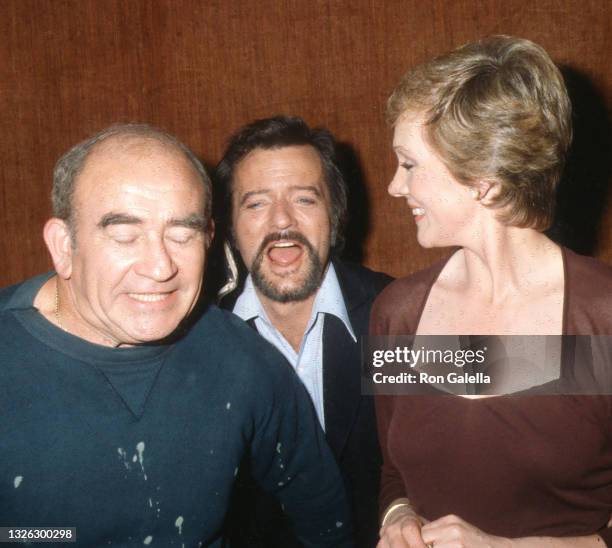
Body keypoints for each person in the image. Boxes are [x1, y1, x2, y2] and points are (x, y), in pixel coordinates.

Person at [0, 124, 354, 548]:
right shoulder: (235, 337)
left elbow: (330, 507)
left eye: (181, 234)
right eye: (125, 234)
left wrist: (398, 508)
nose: (160, 265)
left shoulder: (403, 318)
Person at [372, 36, 612, 548]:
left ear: (484, 181)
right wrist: (396, 517)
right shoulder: (398, 314)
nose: (395, 186)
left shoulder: (601, 319)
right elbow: (394, 473)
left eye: (409, 165)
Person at [214, 115, 392, 547]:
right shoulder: (200, 343)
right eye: (255, 204)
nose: (281, 222)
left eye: (305, 200)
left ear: (336, 214)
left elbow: (540, 374)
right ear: (230, 228)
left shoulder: (394, 317)